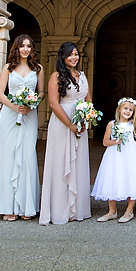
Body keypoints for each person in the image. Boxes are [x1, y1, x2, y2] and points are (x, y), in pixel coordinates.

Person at [0, 34, 43, 221]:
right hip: (9, 115)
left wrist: (32, 105)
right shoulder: (8, 67)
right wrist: (14, 106)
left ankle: (27, 206)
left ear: (32, 49)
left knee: (27, 155)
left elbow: (41, 92)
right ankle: (8, 206)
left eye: (29, 46)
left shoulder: (38, 68)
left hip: (29, 114)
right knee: (9, 155)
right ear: (17, 48)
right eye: (22, 46)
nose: (25, 49)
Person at [39, 41, 92, 224]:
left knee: (78, 162)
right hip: (63, 123)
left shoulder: (83, 76)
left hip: (80, 123)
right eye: (70, 54)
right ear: (63, 57)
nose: (74, 57)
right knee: (61, 163)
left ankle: (78, 210)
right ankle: (61, 209)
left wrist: (85, 119)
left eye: (76, 54)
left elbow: (88, 100)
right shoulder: (56, 76)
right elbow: (53, 103)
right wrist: (70, 124)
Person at [92, 97, 136, 223]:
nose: (128, 112)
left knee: (131, 178)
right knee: (112, 178)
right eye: (125, 109)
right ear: (119, 109)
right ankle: (112, 211)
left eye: (131, 110)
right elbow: (105, 142)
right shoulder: (112, 124)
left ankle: (129, 211)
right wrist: (116, 141)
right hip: (114, 155)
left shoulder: (133, 125)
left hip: (130, 155)